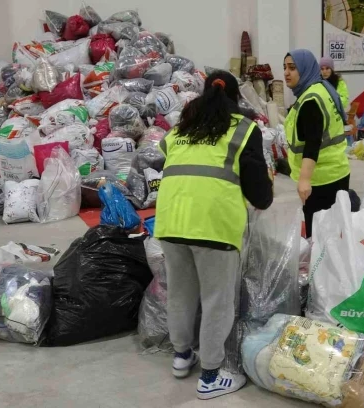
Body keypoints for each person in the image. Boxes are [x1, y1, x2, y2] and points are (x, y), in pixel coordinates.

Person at [154, 70, 273, 400]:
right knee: (217, 300)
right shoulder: (244, 130)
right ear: (236, 98)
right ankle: (210, 375)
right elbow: (260, 195)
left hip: (171, 221)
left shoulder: (179, 131)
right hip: (214, 225)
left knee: (180, 293)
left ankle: (181, 357)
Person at [284, 49, 350, 238]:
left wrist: (304, 180)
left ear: (305, 69)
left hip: (322, 179)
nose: (286, 73)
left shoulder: (311, 101)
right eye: (285, 68)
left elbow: (312, 144)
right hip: (335, 171)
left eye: (292, 68)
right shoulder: (320, 89)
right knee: (332, 234)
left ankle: (321, 267)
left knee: (320, 238)